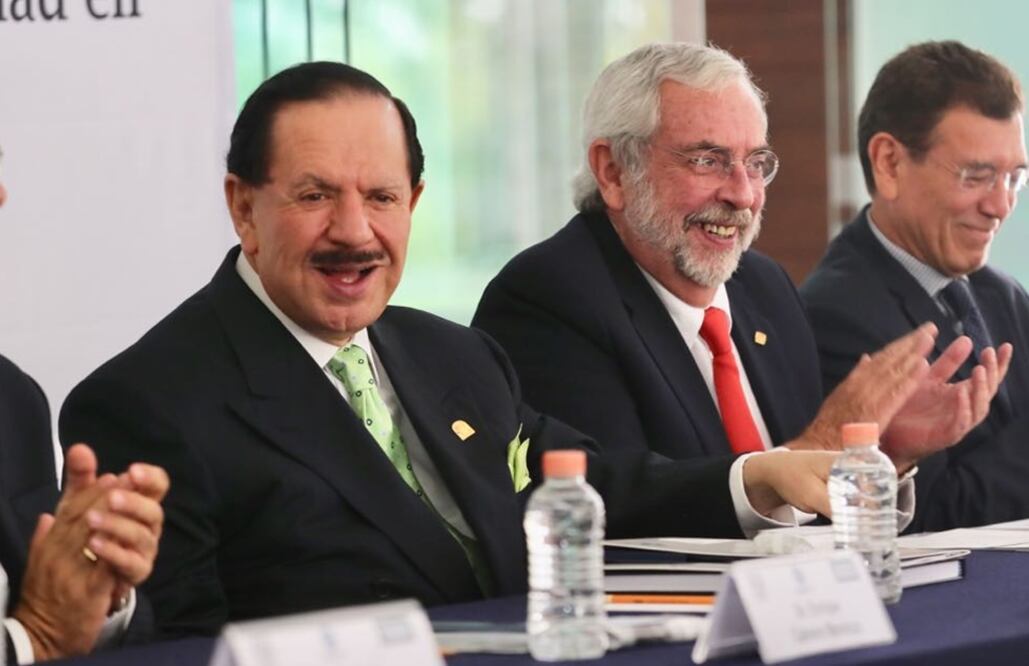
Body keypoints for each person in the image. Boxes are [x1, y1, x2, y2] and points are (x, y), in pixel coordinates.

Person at [61, 61, 946, 639]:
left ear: (414, 201)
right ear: (241, 206)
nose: (354, 232)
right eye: (312, 196)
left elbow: (582, 485)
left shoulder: (450, 355)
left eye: (380, 196)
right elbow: (174, 646)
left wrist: (760, 477)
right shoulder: (147, 403)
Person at [472, 42, 1006, 513]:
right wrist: (816, 448)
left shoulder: (764, 288)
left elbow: (808, 512)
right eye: (707, 160)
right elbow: (613, 505)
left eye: (755, 163)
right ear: (613, 171)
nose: (743, 194)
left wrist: (886, 451)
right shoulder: (550, 297)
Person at [800, 41, 1027, 531]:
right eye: (977, 176)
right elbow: (929, 514)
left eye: (1014, 178)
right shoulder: (836, 313)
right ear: (889, 163)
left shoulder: (1001, 294)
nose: (1001, 206)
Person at [0, 154, 167, 662]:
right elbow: (41, 631)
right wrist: (32, 641)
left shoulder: (11, 398)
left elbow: (66, 615)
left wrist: (97, 591)